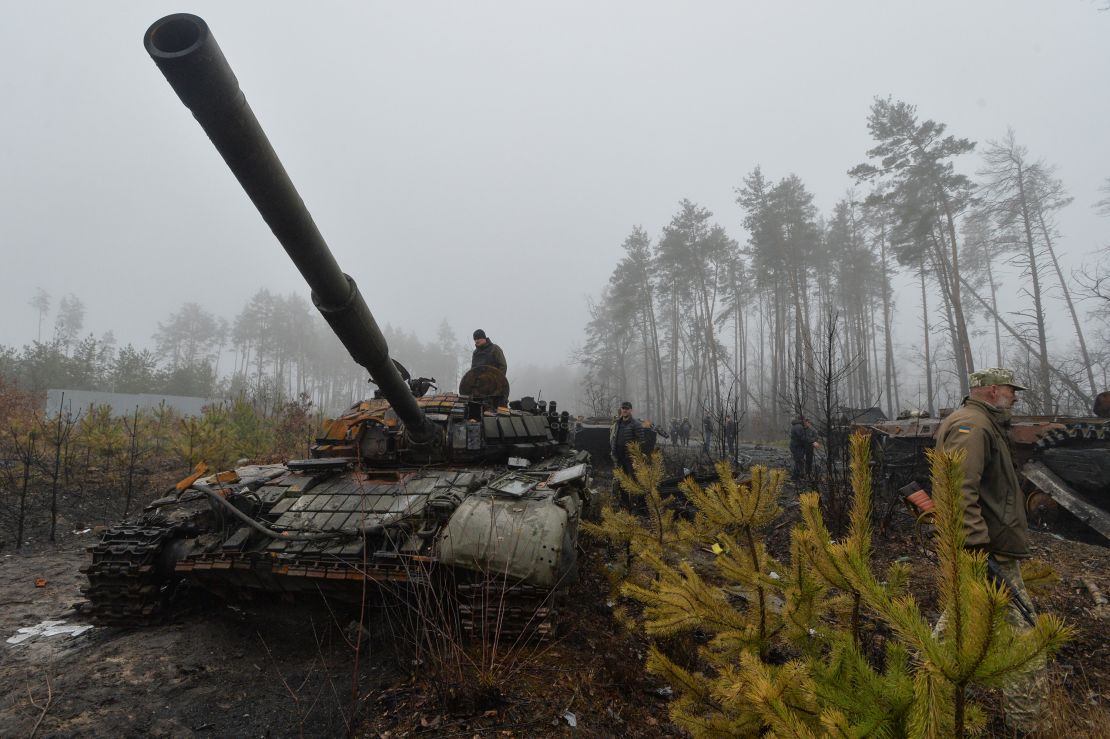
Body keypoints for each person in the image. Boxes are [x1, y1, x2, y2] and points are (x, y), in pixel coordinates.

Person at [935, 367, 1042, 734]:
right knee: (1026, 642)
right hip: (987, 552)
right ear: (994, 389)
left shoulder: (981, 423)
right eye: (1013, 390)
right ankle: (1023, 727)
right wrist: (975, 546)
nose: (1016, 396)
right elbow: (959, 489)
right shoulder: (973, 427)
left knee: (951, 629)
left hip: (986, 549)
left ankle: (922, 696)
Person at [609, 401, 645, 508]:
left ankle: (635, 505)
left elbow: (641, 442)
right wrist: (613, 452)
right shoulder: (617, 423)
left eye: (627, 408)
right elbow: (613, 438)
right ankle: (624, 503)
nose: (624, 410)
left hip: (630, 459)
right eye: (623, 408)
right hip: (619, 457)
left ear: (631, 410)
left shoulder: (636, 424)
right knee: (620, 481)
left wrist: (636, 457)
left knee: (633, 482)